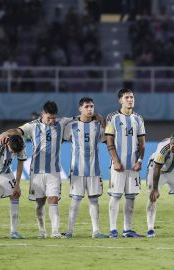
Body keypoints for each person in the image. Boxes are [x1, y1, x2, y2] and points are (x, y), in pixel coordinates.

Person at [0, 101, 71, 238]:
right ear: (43, 114)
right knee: (40, 203)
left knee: (53, 199)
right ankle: (42, 231)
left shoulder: (61, 122)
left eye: (53, 118)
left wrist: (96, 116)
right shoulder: (33, 126)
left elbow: (80, 118)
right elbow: (18, 131)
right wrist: (5, 132)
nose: (51, 121)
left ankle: (55, 232)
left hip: (53, 171)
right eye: (49, 118)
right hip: (36, 172)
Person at [62, 97, 108, 239]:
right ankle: (69, 231)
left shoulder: (98, 125)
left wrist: (104, 121)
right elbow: (64, 139)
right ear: (80, 108)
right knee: (75, 200)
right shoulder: (71, 126)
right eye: (87, 106)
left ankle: (96, 231)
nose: (89, 109)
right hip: (77, 170)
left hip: (94, 170)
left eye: (92, 106)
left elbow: (107, 138)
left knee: (94, 200)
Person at [105, 88, 146, 238]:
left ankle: (127, 230)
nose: (130, 100)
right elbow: (109, 140)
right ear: (120, 100)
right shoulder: (112, 117)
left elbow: (142, 143)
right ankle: (113, 230)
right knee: (115, 196)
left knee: (131, 197)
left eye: (132, 97)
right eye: (127, 97)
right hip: (118, 166)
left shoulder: (138, 119)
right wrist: (115, 161)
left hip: (133, 165)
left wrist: (140, 160)